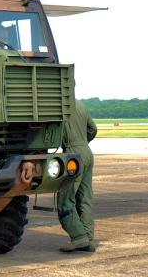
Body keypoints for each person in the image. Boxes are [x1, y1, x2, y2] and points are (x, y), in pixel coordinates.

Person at [58, 99, 97, 252]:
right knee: (85, 196)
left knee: (65, 198)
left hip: (72, 153)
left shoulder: (59, 105)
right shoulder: (81, 105)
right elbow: (93, 129)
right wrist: (82, 142)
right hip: (86, 151)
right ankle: (87, 236)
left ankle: (78, 237)